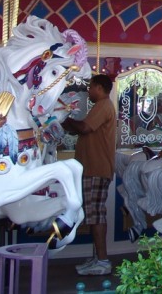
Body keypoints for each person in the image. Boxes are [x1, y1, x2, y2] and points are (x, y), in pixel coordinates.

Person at [63, 74, 116, 276]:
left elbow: (84, 127)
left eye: (90, 87)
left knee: (95, 214)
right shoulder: (100, 106)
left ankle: (102, 260)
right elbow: (83, 128)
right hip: (93, 167)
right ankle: (97, 257)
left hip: (96, 167)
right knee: (93, 213)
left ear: (99, 88)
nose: (88, 91)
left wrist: (65, 118)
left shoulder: (103, 105)